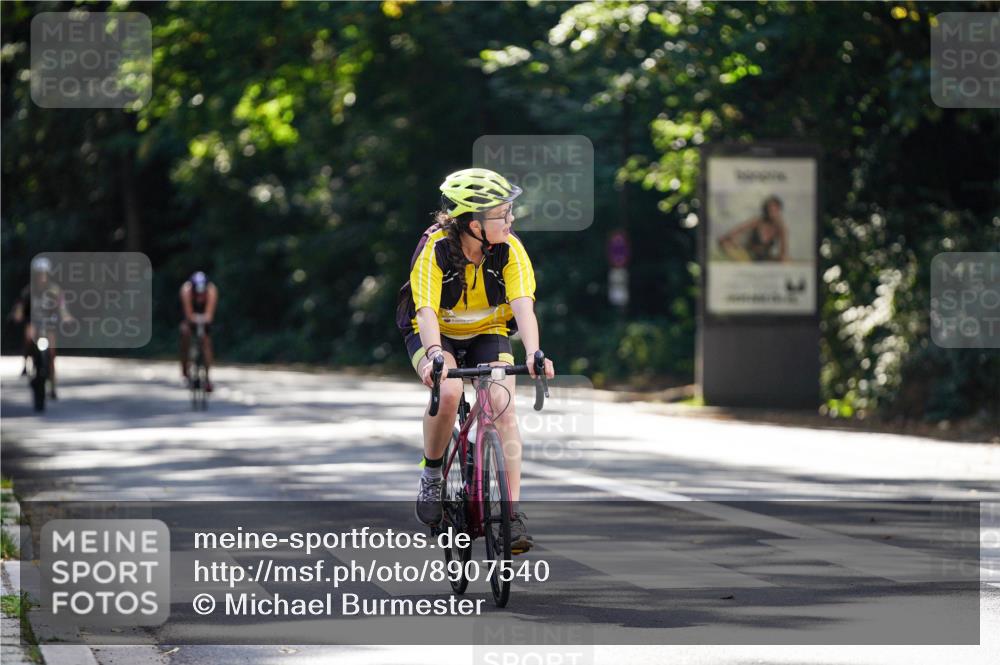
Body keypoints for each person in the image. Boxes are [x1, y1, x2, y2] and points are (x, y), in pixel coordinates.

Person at [397, 168, 555, 554]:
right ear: (473, 223)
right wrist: (434, 357)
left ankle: (510, 515)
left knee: (502, 408)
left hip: (487, 330)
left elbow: (523, 308)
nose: (511, 220)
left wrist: (535, 353)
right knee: (449, 392)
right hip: (436, 332)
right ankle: (433, 473)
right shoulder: (434, 249)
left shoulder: (510, 249)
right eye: (503, 214)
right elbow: (428, 311)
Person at [9, 257, 73, 398]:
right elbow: (20, 305)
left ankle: (53, 387)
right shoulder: (29, 290)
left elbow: (62, 306)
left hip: (49, 323)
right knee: (28, 335)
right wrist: (18, 314)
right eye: (39, 273)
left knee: (51, 354)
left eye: (44, 273)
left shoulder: (55, 290)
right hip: (34, 322)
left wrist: (66, 317)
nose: (41, 277)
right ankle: (26, 363)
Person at [717, 195, 788, 262]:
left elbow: (783, 252)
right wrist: (730, 238)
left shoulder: (781, 227)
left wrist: (780, 258)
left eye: (775, 209)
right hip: (749, 255)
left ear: (779, 210)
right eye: (769, 208)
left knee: (785, 260)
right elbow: (738, 229)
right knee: (724, 243)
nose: (771, 212)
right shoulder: (758, 221)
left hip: (766, 258)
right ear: (765, 210)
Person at [179, 271, 218, 391]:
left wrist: (206, 318)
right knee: (185, 334)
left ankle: (207, 377)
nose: (200, 297)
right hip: (190, 314)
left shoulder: (211, 290)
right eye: (198, 294)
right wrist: (191, 320)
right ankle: (185, 372)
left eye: (202, 294)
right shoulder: (186, 290)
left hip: (204, 314)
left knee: (206, 342)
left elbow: (210, 313)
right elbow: (188, 313)